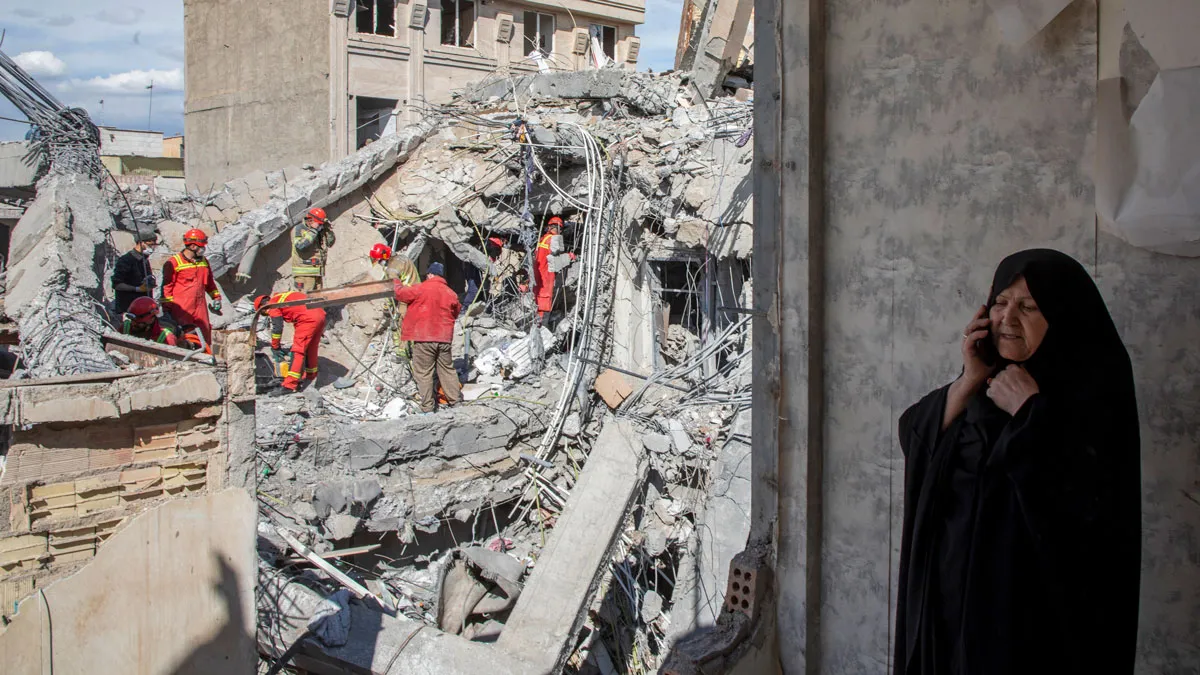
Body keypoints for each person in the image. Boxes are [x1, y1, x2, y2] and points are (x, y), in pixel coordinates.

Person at [894, 249, 1140, 675]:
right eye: (1000, 302)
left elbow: (1089, 510)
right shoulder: (983, 383)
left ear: (1062, 315)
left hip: (1028, 631)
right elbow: (915, 435)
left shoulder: (1092, 396)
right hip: (949, 617)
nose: (1007, 318)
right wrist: (969, 379)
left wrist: (1031, 411)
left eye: (1028, 306)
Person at [393, 262, 462, 412]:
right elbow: (456, 312)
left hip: (424, 338)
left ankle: (428, 407)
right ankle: (455, 402)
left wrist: (395, 281)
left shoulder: (421, 288)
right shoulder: (451, 293)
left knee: (424, 373)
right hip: (444, 339)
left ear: (430, 274)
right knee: (447, 370)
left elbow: (401, 294)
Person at [255, 291, 327, 392]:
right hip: (320, 314)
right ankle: (310, 376)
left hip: (307, 319)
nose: (268, 315)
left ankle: (290, 385)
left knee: (298, 350)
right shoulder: (282, 296)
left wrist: (275, 346)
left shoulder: (273, 304)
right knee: (311, 348)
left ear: (263, 307)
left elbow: (277, 329)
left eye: (265, 313)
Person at [161, 228, 221, 348]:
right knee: (185, 335)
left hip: (200, 306)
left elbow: (209, 283)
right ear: (193, 246)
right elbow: (167, 287)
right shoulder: (174, 263)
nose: (204, 249)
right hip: (182, 307)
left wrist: (216, 297)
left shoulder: (204, 262)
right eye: (202, 246)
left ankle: (204, 356)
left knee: (204, 332)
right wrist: (167, 309)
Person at [369, 243, 420, 359]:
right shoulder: (402, 259)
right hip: (417, 293)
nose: (379, 263)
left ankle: (403, 353)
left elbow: (391, 289)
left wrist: (387, 308)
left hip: (406, 298)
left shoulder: (392, 269)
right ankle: (410, 349)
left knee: (402, 324)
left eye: (379, 260)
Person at [112, 230, 158, 314]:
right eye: (150, 245)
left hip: (144, 309)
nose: (152, 248)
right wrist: (137, 289)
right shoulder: (126, 260)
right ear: (141, 243)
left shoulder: (144, 259)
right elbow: (117, 284)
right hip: (128, 309)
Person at [292, 207, 336, 292]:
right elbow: (300, 246)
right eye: (319, 224)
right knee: (304, 300)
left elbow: (330, 243)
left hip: (317, 273)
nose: (320, 226)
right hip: (304, 275)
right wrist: (313, 230)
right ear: (310, 220)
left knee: (318, 301)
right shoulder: (299, 229)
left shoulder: (318, 230)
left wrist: (328, 230)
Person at [533, 217, 562, 321]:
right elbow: (559, 260)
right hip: (546, 274)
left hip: (539, 274)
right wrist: (571, 256)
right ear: (558, 228)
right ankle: (542, 327)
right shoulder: (553, 239)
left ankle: (538, 324)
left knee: (539, 300)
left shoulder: (543, 238)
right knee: (545, 302)